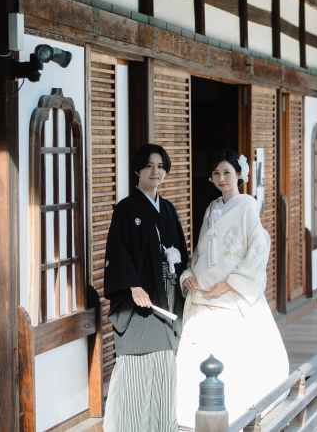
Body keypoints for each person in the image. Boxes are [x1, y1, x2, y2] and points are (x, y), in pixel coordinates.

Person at [176, 149, 289, 430]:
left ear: (239, 175)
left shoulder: (248, 205)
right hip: (204, 292)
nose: (222, 178)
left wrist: (231, 282)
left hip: (230, 292)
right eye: (216, 173)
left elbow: (259, 248)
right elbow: (202, 250)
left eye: (227, 172)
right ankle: (196, 410)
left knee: (233, 358)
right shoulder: (211, 208)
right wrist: (189, 274)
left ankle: (236, 411)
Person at [102, 143, 189, 432]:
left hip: (166, 298)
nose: (156, 171)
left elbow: (181, 253)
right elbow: (118, 251)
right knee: (138, 372)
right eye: (150, 166)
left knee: (165, 369)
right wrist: (133, 286)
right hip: (139, 304)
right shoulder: (126, 209)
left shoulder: (168, 209)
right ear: (137, 170)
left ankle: (164, 427)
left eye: (161, 166)